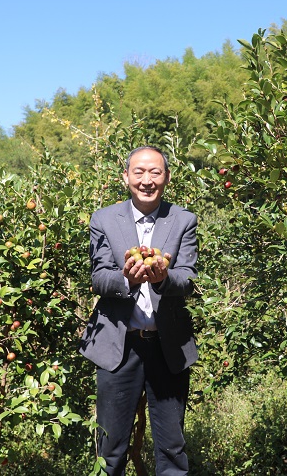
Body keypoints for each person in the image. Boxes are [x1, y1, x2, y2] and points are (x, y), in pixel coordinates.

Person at [80, 146, 198, 475]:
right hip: (120, 347)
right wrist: (126, 280)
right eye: (139, 172)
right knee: (111, 447)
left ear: (167, 177)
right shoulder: (104, 219)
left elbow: (188, 279)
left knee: (172, 447)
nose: (147, 180)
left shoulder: (184, 220)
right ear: (126, 177)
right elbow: (99, 277)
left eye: (155, 172)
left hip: (168, 347)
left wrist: (164, 279)